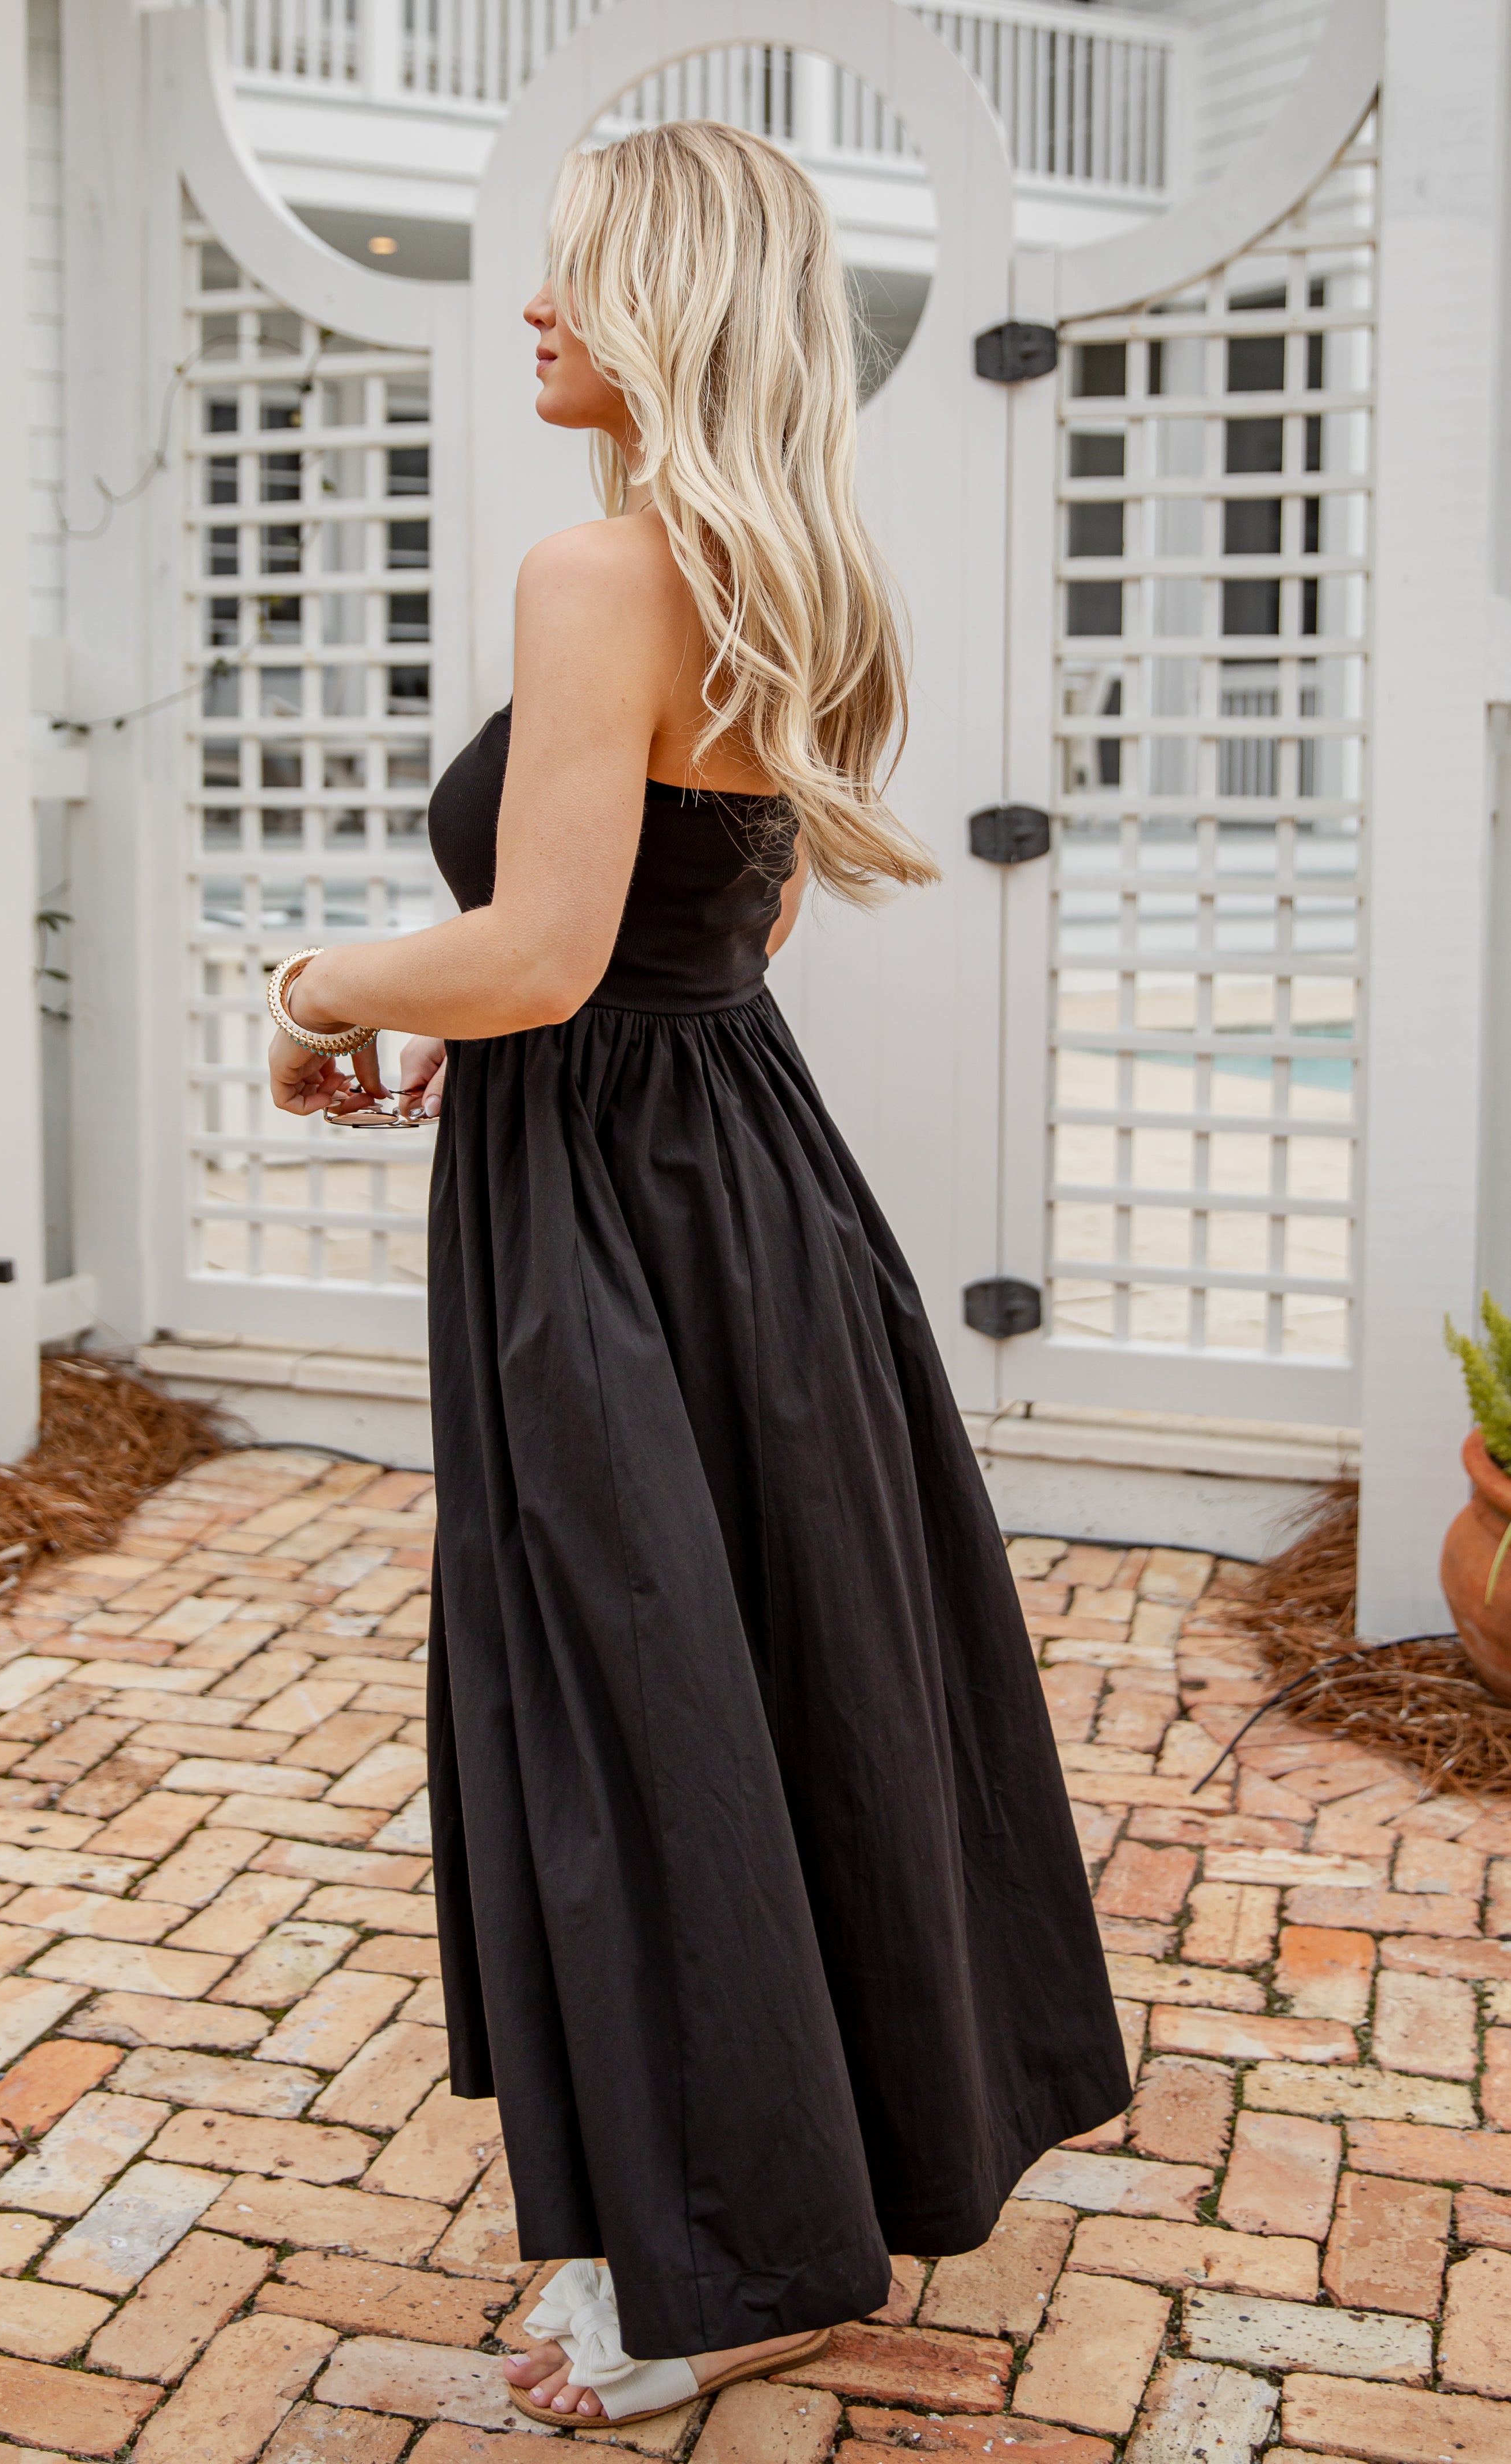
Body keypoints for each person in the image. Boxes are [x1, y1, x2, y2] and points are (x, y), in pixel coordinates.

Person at [268, 119, 1128, 2434]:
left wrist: (317, 982)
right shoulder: (796, 576)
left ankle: (736, 2262)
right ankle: (767, 2186)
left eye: (568, 277)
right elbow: (706, 926)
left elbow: (543, 951)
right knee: (762, 1676)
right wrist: (499, 1039)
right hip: (740, 1180)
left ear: (670, 306)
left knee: (637, 1704)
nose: (530, 312)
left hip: (617, 1225)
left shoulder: (594, 572)